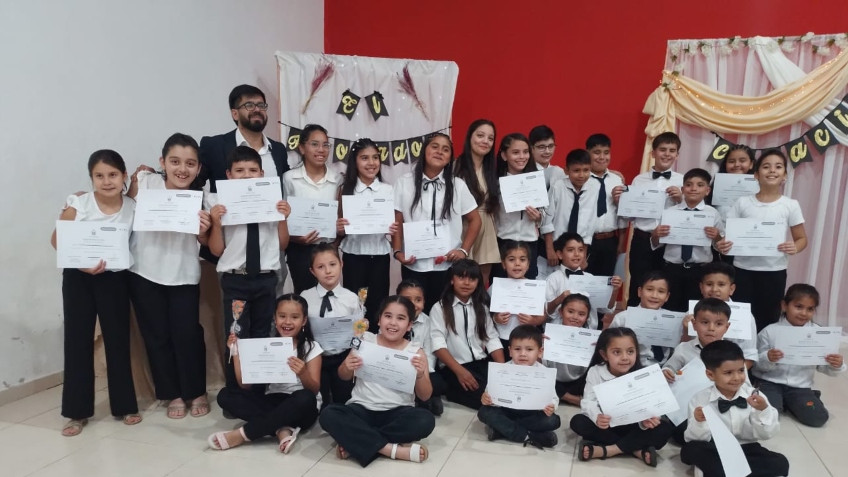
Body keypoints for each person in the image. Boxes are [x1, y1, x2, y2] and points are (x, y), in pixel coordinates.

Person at [50, 150, 141, 436]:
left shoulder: (132, 206)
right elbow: (57, 240)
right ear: (91, 179)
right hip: (79, 279)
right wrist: (82, 265)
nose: (107, 181)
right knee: (78, 342)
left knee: (118, 341)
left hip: (115, 279)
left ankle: (125, 406)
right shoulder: (79, 204)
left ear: (123, 176)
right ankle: (76, 413)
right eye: (99, 176)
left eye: (113, 175)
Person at [127, 133, 211, 419]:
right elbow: (123, 210)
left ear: (198, 168)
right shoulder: (145, 183)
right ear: (162, 162)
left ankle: (196, 390)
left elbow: (205, 242)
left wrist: (203, 230)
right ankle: (171, 393)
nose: (182, 169)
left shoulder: (201, 198)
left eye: (190, 163)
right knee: (157, 335)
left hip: (183, 274)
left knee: (188, 335)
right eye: (175, 162)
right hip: (144, 271)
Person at [207, 146, 291, 389]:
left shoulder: (273, 201)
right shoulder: (219, 203)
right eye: (240, 170)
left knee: (263, 333)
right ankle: (236, 391)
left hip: (266, 278)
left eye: (253, 170)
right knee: (236, 336)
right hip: (236, 280)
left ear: (262, 174)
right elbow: (216, 250)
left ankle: (261, 390)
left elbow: (283, 244)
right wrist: (216, 223)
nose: (246, 175)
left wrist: (283, 218)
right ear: (229, 174)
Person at [319, 296, 435, 466]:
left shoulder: (416, 352)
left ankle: (356, 442)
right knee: (328, 414)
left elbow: (425, 396)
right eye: (388, 316)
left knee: (425, 420)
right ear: (379, 319)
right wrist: (347, 366)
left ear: (409, 325)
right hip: (361, 409)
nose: (393, 323)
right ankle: (391, 449)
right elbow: (343, 375)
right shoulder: (364, 340)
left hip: (397, 412)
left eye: (400, 318)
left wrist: (419, 375)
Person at [198, 84, 290, 293]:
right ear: (234, 113)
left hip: (270, 251)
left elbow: (285, 189)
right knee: (235, 311)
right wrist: (203, 229)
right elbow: (194, 182)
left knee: (273, 306)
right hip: (232, 251)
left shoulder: (278, 149)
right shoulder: (214, 145)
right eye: (249, 105)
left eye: (261, 105)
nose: (257, 109)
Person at [210, 294, 321, 452]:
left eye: (294, 317)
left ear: (303, 321)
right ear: (274, 318)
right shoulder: (264, 345)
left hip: (300, 406)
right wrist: (235, 353)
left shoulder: (311, 347)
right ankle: (281, 428)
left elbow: (314, 390)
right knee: (225, 395)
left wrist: (303, 373)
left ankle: (243, 434)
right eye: (282, 316)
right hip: (272, 401)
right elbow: (245, 385)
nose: (287, 322)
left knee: (305, 398)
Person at [716, 149, 807, 331]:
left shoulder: (790, 205)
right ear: (756, 174)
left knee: (769, 317)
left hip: (774, 271)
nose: (772, 170)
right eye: (766, 166)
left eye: (778, 167)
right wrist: (722, 244)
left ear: (785, 175)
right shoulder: (742, 203)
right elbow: (727, 237)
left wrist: (794, 247)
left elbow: (802, 238)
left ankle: (763, 349)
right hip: (742, 270)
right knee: (740, 319)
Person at [393, 133, 482, 311]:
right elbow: (397, 219)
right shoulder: (404, 182)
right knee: (412, 311)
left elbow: (475, 220)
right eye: (434, 147)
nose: (439, 152)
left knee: (442, 312)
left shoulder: (457, 185)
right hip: (414, 263)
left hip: (446, 265)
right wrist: (397, 252)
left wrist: (463, 250)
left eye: (445, 149)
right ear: (424, 151)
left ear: (450, 158)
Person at [681, 340, 789, 477]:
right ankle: (734, 471)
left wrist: (763, 410)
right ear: (710, 375)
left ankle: (726, 472)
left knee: (780, 463)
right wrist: (699, 421)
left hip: (747, 448)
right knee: (691, 450)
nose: (737, 378)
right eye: (728, 373)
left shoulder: (755, 396)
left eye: (741, 370)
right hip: (715, 449)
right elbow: (692, 438)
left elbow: (766, 434)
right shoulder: (700, 399)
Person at [570, 327, 673, 466]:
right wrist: (597, 417)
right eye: (617, 352)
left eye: (630, 352)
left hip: (633, 426)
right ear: (604, 354)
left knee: (664, 429)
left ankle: (608, 450)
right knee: (578, 422)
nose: (625, 357)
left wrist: (646, 421)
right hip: (607, 425)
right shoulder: (596, 371)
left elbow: (652, 407)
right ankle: (635, 450)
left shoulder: (642, 374)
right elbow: (588, 401)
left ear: (637, 352)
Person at [753, 284, 844, 427]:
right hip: (770, 382)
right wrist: (768, 358)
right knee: (767, 415)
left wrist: (836, 364)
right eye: (798, 307)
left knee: (818, 418)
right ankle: (782, 402)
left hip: (799, 387)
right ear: (784, 305)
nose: (803, 313)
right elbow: (755, 365)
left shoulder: (819, 334)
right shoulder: (770, 332)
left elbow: (823, 367)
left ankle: (804, 399)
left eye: (810, 309)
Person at [613, 132, 683, 306]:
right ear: (653, 153)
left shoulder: (683, 181)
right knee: (639, 282)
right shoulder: (639, 180)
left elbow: (690, 213)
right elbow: (630, 216)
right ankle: (633, 321)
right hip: (642, 240)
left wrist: (681, 199)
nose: (667, 154)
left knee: (668, 286)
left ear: (677, 155)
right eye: (662, 149)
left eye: (672, 150)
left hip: (670, 242)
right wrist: (621, 203)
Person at [337, 138, 397, 331]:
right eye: (364, 158)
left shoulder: (387, 190)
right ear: (355, 162)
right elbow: (338, 227)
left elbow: (393, 222)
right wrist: (339, 228)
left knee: (378, 304)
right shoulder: (346, 190)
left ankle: (374, 342)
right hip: (354, 256)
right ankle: (355, 342)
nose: (371, 163)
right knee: (355, 304)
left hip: (379, 256)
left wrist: (392, 228)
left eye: (375, 157)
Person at [430, 259, 505, 409]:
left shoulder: (481, 307)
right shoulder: (440, 308)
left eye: (472, 279)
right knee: (488, 400)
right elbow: (438, 345)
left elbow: (492, 338)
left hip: (481, 363)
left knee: (506, 393)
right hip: (454, 367)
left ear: (478, 282)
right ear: (452, 280)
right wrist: (460, 372)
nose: (466, 283)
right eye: (461, 277)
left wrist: (503, 371)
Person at [651, 168, 722, 312]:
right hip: (672, 269)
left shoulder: (713, 213)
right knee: (670, 309)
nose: (694, 188)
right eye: (689, 185)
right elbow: (656, 244)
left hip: (700, 270)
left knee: (696, 311)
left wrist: (717, 236)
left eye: (700, 185)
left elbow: (719, 245)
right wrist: (656, 235)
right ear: (683, 189)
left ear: (707, 190)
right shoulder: (670, 212)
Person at [300, 243, 362, 406]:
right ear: (312, 271)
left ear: (341, 264)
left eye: (332, 264)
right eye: (320, 267)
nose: (328, 271)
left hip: (343, 356)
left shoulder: (352, 298)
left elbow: (358, 331)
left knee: (345, 401)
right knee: (320, 402)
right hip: (316, 358)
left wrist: (353, 353)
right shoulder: (305, 297)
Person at [283, 124, 343, 294]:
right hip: (299, 250)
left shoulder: (337, 179)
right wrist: (295, 238)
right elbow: (283, 217)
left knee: (330, 296)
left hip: (328, 249)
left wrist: (337, 238)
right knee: (304, 297)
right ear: (302, 148)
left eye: (325, 145)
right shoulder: (289, 178)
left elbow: (340, 216)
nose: (321, 150)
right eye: (315, 144)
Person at [478, 325, 561, 447]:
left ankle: (501, 431)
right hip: (507, 410)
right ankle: (529, 436)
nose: (523, 354)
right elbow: (490, 393)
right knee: (484, 412)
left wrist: (551, 406)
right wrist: (486, 398)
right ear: (510, 351)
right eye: (517, 349)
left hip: (531, 414)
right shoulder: (502, 370)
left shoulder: (544, 373)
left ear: (540, 352)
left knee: (553, 420)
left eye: (529, 349)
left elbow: (553, 398)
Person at [453, 119, 500, 285]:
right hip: (463, 226)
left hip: (487, 226)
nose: (485, 141)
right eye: (480, 135)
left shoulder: (493, 169)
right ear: (470, 137)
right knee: (461, 279)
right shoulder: (455, 167)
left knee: (481, 281)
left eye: (490, 138)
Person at [540, 149, 600, 278]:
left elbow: (590, 224)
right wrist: (550, 250)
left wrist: (583, 254)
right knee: (551, 280)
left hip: (578, 249)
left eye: (586, 170)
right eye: (576, 170)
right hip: (555, 245)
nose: (581, 175)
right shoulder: (558, 186)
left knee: (572, 283)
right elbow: (547, 221)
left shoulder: (594, 187)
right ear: (566, 170)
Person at [493, 134, 545, 280]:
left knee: (527, 285)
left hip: (529, 242)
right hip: (503, 241)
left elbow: (545, 215)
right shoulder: (495, 183)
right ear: (504, 155)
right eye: (515, 152)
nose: (522, 157)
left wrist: (538, 218)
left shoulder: (536, 180)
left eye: (525, 152)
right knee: (501, 284)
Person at [545, 232, 622, 328]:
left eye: (580, 250)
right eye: (570, 250)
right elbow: (547, 313)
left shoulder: (590, 278)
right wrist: (559, 299)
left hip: (588, 331)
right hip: (559, 330)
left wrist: (614, 291)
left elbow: (605, 309)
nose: (576, 254)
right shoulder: (553, 279)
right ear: (560, 254)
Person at [398, 279, 445, 416]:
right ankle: (421, 401)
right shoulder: (392, 320)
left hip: (420, 369)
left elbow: (430, 355)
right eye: (407, 300)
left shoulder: (428, 322)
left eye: (418, 300)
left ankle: (425, 397)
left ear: (424, 302)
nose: (413, 304)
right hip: (397, 368)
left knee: (439, 383)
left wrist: (422, 375)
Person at [492, 241, 546, 356]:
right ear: (503, 264)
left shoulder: (536, 288)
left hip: (527, 339)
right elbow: (486, 313)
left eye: (522, 260)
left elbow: (543, 315)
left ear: (528, 264)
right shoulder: (496, 287)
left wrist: (533, 321)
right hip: (502, 338)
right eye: (511, 260)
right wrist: (496, 318)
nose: (517, 264)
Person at [609, 271, 674, 366]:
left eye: (661, 291)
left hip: (663, 367)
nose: (654, 295)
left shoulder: (672, 319)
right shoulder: (623, 318)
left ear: (667, 296)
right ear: (640, 292)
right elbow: (609, 343)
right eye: (649, 289)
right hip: (630, 367)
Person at [585, 134, 627, 278]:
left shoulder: (617, 180)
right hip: (586, 240)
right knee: (582, 281)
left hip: (610, 241)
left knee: (606, 282)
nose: (602, 157)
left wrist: (621, 244)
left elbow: (622, 215)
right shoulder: (580, 178)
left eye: (606, 152)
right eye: (597, 152)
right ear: (587, 153)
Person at [706, 144, 755, 265]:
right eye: (731, 161)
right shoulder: (716, 188)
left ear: (751, 164)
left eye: (742, 160)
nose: (737, 164)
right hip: (718, 248)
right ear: (725, 164)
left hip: (748, 250)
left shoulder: (760, 189)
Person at [528, 125, 566, 279]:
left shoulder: (559, 173)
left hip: (552, 235)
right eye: (541, 147)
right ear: (531, 148)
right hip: (530, 235)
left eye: (551, 146)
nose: (547, 151)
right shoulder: (525, 173)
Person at [543, 293, 592, 406]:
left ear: (587, 317)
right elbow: (544, 366)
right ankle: (571, 399)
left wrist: (595, 350)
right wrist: (540, 347)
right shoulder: (550, 334)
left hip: (578, 381)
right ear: (561, 312)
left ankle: (564, 396)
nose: (575, 317)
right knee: (540, 372)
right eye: (570, 312)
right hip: (555, 381)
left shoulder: (590, 338)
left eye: (581, 314)